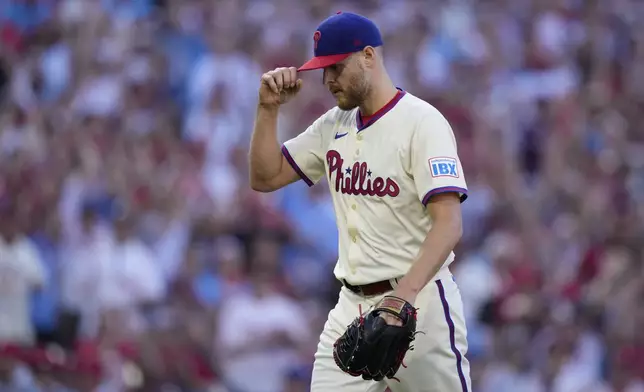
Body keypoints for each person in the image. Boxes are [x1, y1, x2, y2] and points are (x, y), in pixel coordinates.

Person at [248, 11, 471, 392]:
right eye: (322, 69)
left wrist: (402, 298)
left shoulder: (422, 122)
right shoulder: (332, 124)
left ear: (368, 56)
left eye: (336, 66)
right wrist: (268, 109)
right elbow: (265, 177)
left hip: (421, 300)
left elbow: (449, 223)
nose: (328, 79)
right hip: (352, 305)